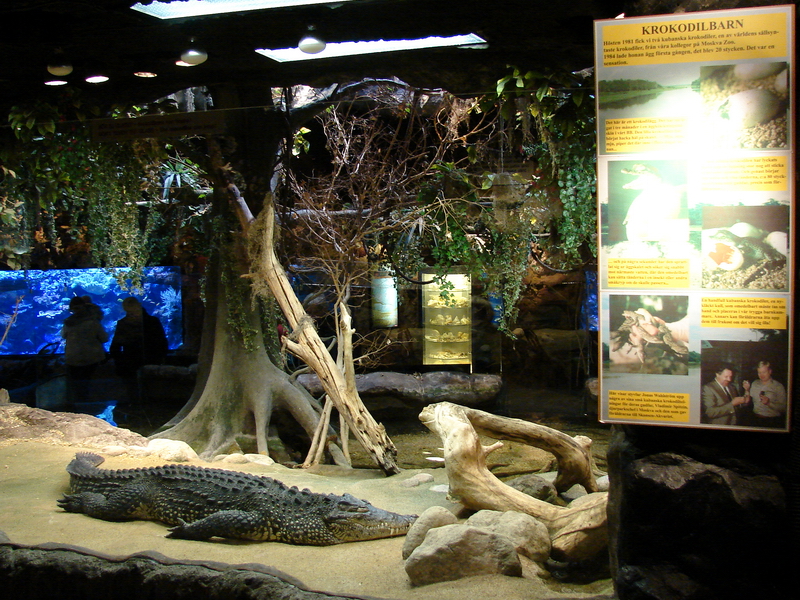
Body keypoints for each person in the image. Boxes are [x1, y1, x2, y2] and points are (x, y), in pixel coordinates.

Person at [110, 297, 168, 403]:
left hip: (144, 361)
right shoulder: (152, 321)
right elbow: (116, 346)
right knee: (139, 392)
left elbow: (115, 346)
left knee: (145, 391)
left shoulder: (125, 323)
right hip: (136, 362)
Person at [60, 296, 109, 406]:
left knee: (76, 385)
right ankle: (90, 406)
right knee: (90, 384)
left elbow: (63, 336)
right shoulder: (93, 322)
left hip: (72, 359)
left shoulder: (68, 323)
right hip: (92, 358)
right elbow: (104, 338)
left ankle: (78, 406)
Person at [742, 361, 787, 429]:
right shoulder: (754, 383)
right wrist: (747, 390)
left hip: (772, 422)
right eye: (759, 372)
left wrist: (769, 403)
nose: (761, 375)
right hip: (755, 420)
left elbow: (784, 408)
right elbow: (746, 402)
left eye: (764, 372)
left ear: (770, 371)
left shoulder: (778, 386)